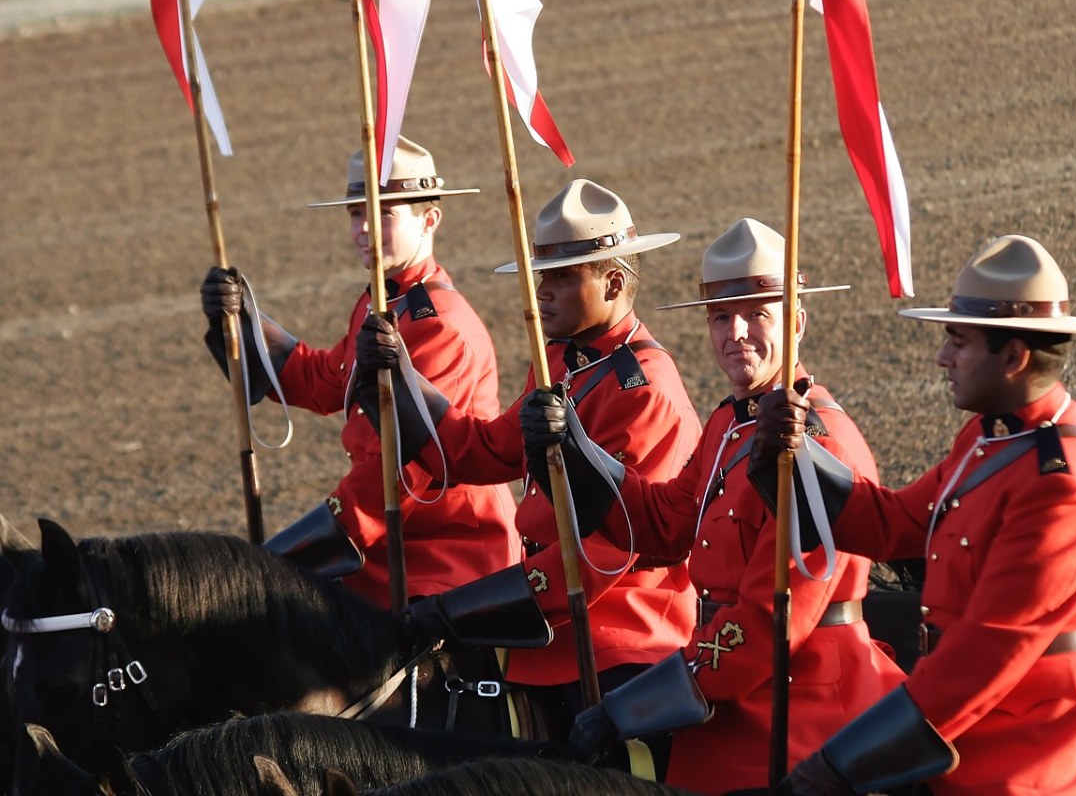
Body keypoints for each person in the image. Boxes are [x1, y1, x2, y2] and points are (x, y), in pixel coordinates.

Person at [520, 217, 906, 794]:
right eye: (721, 317)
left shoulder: (816, 442)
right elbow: (659, 523)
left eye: (757, 314)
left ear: (797, 321)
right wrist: (574, 451)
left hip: (802, 710)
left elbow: (769, 625)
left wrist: (627, 708)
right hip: (728, 701)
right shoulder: (730, 421)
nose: (736, 334)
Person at [759, 235, 1076, 795]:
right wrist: (793, 452)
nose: (942, 357)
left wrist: (839, 765)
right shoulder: (987, 437)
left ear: (1014, 357)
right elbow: (894, 525)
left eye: (958, 342)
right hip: (967, 741)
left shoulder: (1063, 487)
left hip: (1044, 762)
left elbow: (981, 657)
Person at [354, 178, 703, 752]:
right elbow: (480, 450)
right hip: (547, 626)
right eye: (540, 275)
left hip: (618, 636)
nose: (541, 291)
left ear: (613, 282)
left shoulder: (644, 391)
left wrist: (454, 610)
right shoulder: (562, 362)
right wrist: (397, 378)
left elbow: (603, 559)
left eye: (561, 277)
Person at [199, 137, 520, 609]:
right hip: (389, 540)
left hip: (445, 552)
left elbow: (403, 469)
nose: (365, 227)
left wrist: (300, 550)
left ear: (430, 220)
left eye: (383, 212)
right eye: (355, 213)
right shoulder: (380, 304)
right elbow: (326, 380)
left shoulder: (438, 325)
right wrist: (244, 322)